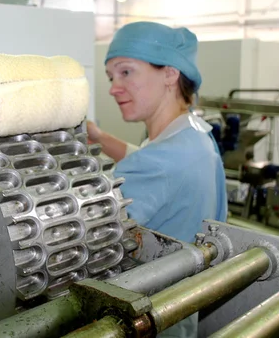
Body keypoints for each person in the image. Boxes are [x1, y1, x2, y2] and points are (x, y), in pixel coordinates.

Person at [88, 22, 228, 337]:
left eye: (126, 72)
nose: (113, 87)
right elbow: (150, 159)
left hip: (150, 318)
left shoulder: (158, 163)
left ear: (170, 73)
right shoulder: (194, 135)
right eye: (111, 76)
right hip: (185, 307)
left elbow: (85, 234)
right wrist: (99, 137)